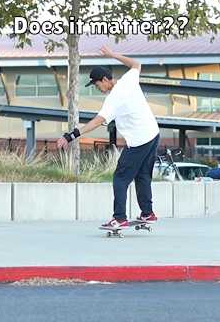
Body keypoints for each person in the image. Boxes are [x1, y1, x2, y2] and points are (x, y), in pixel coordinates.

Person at [56, 46, 160, 229]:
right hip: (153, 133)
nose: (98, 89)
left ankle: (119, 218)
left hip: (139, 141)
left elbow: (97, 121)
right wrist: (112, 55)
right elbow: (136, 64)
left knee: (120, 177)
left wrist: (71, 136)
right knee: (142, 175)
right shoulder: (128, 80)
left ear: (105, 80)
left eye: (97, 85)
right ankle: (147, 213)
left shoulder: (114, 98)